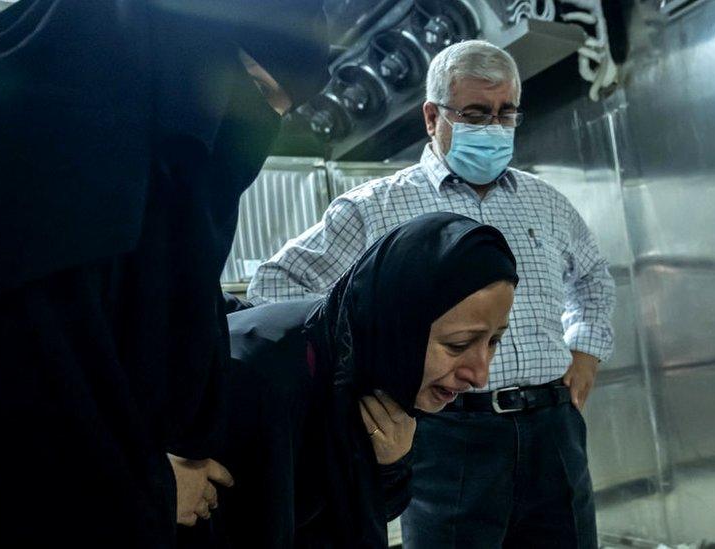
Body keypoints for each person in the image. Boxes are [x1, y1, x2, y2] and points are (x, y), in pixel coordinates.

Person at [0, 0, 328, 546]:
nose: (257, 133)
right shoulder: (23, 151)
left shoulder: (93, 146)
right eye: (258, 90)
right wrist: (152, 489)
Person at [247, 39, 616, 548]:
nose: (494, 127)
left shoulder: (546, 203)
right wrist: (360, 382)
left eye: (506, 113)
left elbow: (594, 281)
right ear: (431, 117)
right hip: (445, 436)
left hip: (551, 428)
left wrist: (587, 355)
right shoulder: (374, 209)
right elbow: (276, 288)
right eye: (475, 113)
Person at [180, 212, 518, 548]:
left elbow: (359, 514)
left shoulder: (372, 372)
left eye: (494, 341)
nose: (479, 375)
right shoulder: (260, 380)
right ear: (397, 325)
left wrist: (391, 465)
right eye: (457, 345)